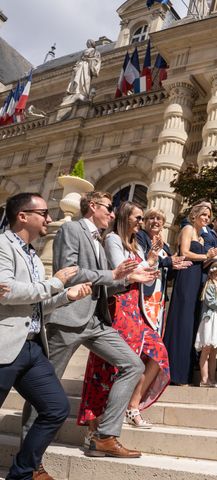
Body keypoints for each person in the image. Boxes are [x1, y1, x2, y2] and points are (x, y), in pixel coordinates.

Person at [23, 191, 155, 459]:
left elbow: (108, 280)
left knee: (133, 364)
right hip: (68, 318)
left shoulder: (101, 239)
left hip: (96, 320)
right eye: (109, 208)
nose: (112, 213)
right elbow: (69, 272)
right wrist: (112, 274)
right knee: (46, 385)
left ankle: (105, 436)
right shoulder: (71, 229)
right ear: (92, 207)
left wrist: (132, 278)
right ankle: (28, 456)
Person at [0, 193, 91, 480]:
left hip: (31, 348)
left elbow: (35, 302)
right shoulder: (2, 245)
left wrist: (66, 295)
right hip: (4, 345)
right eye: (44, 213)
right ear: (23, 216)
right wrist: (55, 283)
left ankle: (22, 474)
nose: (49, 219)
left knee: (55, 408)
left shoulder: (33, 256)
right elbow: (7, 292)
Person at [77, 201, 169, 435]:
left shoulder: (136, 244)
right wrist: (140, 272)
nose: (142, 222)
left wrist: (150, 259)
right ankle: (94, 422)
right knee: (108, 365)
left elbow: (142, 273)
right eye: (138, 218)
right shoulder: (113, 239)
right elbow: (122, 271)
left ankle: (132, 406)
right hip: (118, 305)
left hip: (135, 308)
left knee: (158, 352)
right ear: (125, 218)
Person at [164, 203, 217, 385]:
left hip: (198, 278)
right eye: (203, 215)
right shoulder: (187, 228)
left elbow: (202, 261)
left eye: (208, 216)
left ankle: (184, 373)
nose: (206, 218)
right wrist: (206, 256)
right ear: (195, 215)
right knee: (182, 320)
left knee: (191, 322)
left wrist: (213, 256)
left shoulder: (203, 239)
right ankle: (172, 372)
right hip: (186, 277)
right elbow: (184, 252)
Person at [136, 208, 191, 336]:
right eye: (151, 218)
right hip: (143, 291)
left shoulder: (165, 246)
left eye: (159, 219)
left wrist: (175, 266)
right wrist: (169, 261)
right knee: (143, 329)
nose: (155, 221)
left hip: (159, 293)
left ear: (163, 223)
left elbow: (168, 269)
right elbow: (145, 259)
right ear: (145, 221)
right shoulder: (140, 236)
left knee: (156, 329)